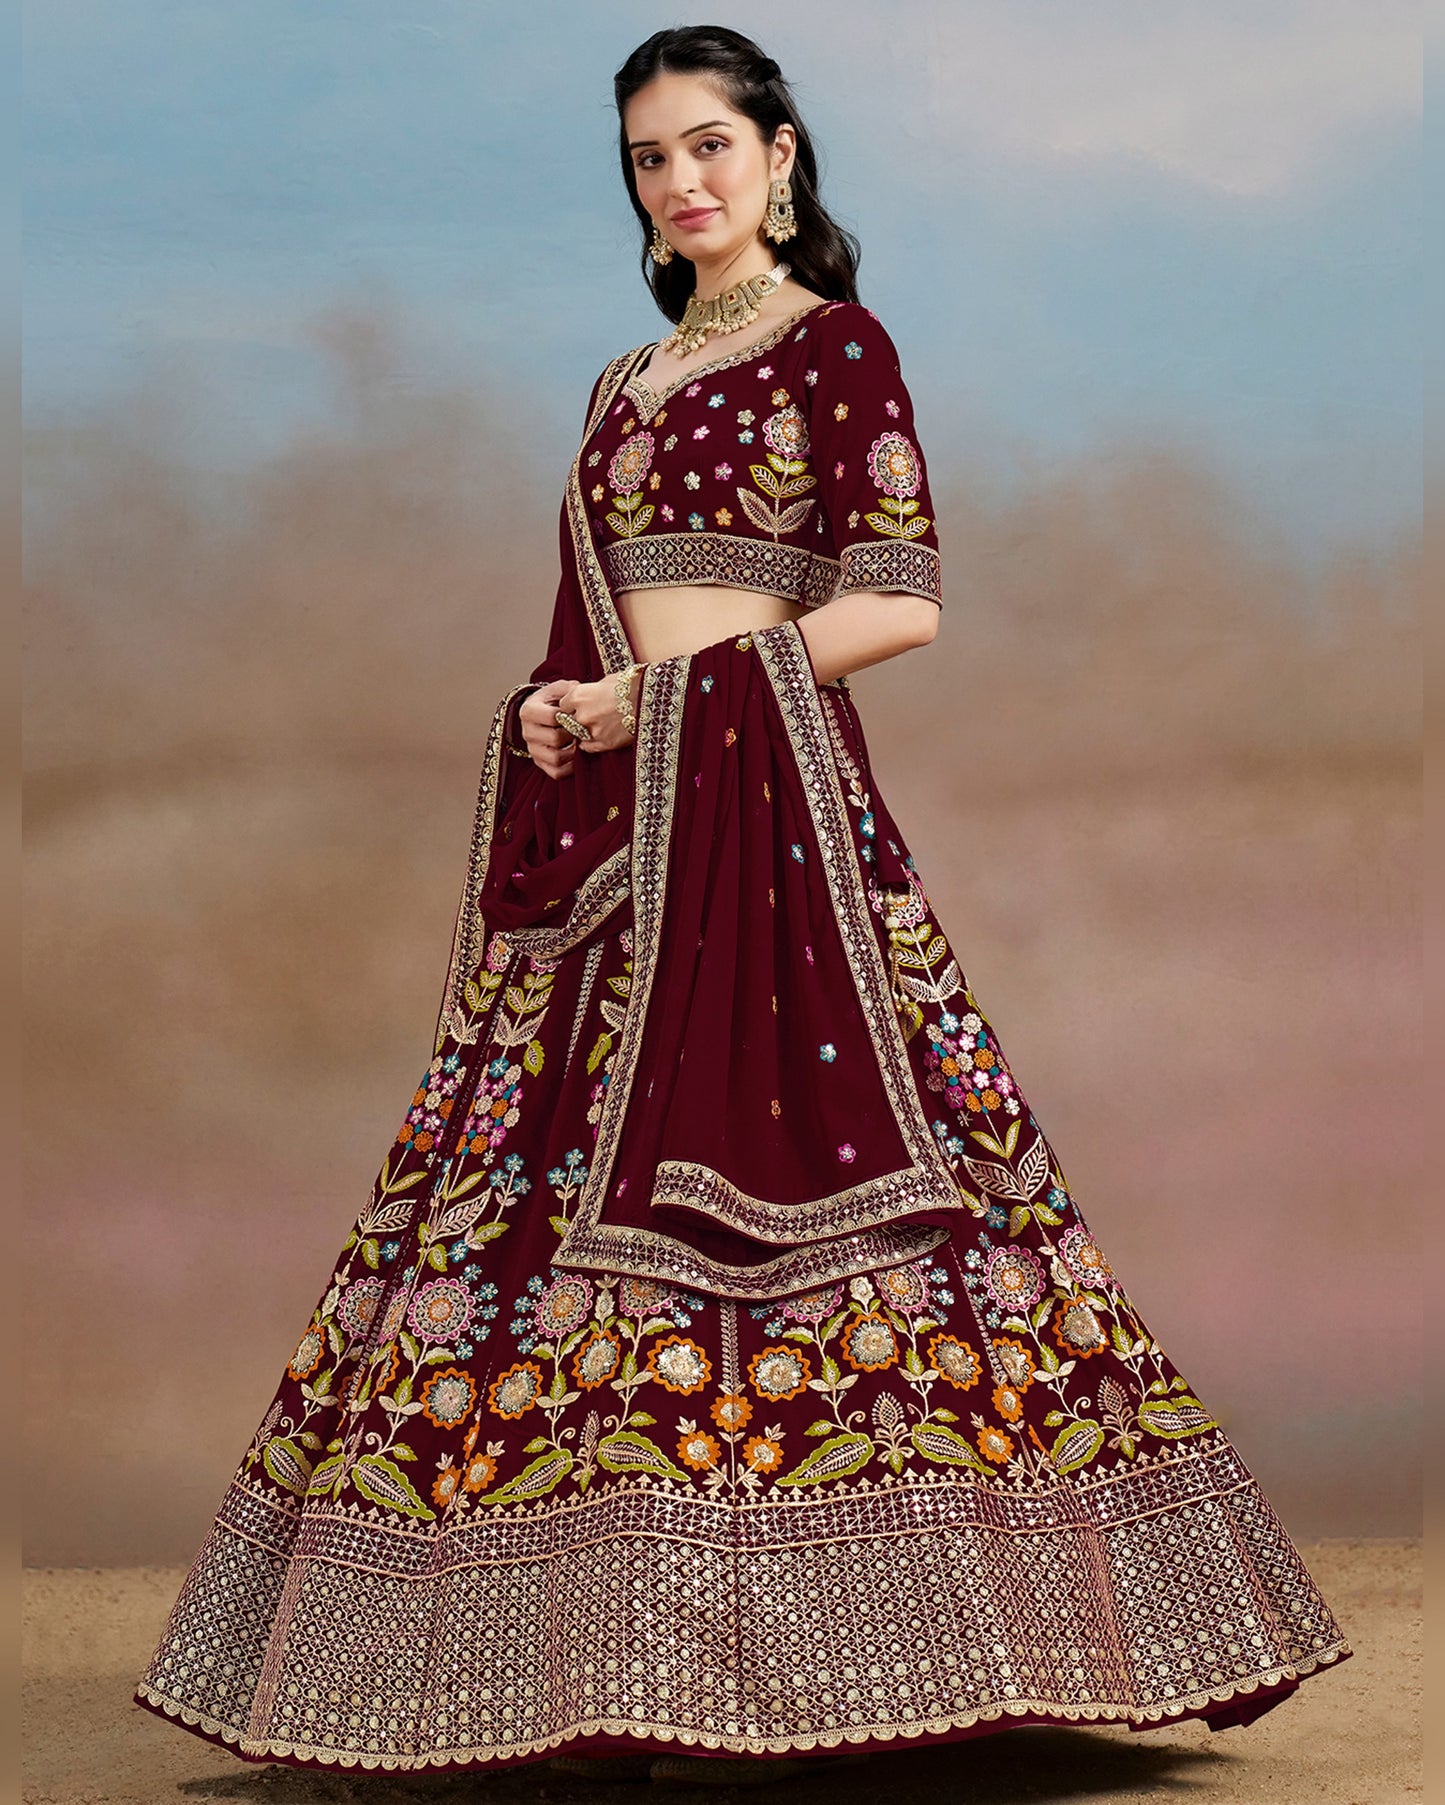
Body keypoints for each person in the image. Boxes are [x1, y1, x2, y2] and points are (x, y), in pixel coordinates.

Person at [133, 25, 1354, 1789]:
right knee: (537, 1220)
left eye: (711, 144)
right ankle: (593, 1655)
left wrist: (661, 701)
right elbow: (599, 623)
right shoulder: (619, 385)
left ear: (782, 157)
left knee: (855, 1197)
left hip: (770, 830)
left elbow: (900, 603)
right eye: (648, 157)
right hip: (625, 839)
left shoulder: (836, 350)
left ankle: (906, 1651)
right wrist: (562, 711)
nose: (682, 180)